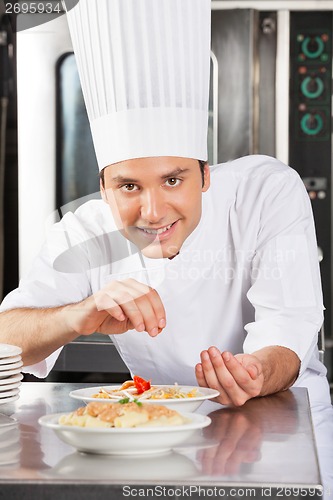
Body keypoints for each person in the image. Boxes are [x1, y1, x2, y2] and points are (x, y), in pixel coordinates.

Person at [0, 0, 330, 408]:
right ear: (104, 189)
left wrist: (255, 373)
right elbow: (6, 339)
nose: (153, 212)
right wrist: (78, 315)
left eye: (173, 180)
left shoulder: (265, 191)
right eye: (129, 186)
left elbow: (288, 327)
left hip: (285, 424)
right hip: (163, 425)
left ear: (205, 176)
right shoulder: (84, 230)